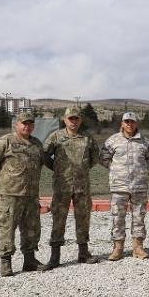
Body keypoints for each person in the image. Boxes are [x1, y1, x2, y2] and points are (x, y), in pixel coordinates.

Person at [0, 111, 48, 277]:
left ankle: (29, 260)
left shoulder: (37, 144)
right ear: (16, 124)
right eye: (24, 123)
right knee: (7, 227)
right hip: (10, 194)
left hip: (31, 195)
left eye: (30, 124)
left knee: (32, 228)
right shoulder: (5, 141)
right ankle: (6, 262)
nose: (27, 126)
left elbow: (40, 164)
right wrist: (5, 178)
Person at [43, 106, 101, 268]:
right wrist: (56, 168)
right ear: (64, 119)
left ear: (80, 120)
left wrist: (81, 170)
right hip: (62, 185)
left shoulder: (87, 138)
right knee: (58, 218)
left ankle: (83, 252)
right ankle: (55, 256)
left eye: (76, 118)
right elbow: (45, 155)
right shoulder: (56, 136)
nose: (73, 121)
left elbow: (94, 158)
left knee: (83, 218)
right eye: (71, 119)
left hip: (82, 186)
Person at [100, 112, 149, 261]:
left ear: (136, 124)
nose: (129, 124)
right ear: (122, 123)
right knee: (118, 217)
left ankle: (138, 247)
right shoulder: (112, 140)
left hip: (139, 185)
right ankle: (118, 248)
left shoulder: (145, 142)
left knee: (139, 216)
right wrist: (116, 169)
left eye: (132, 122)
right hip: (119, 186)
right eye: (127, 122)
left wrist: (140, 170)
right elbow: (104, 158)